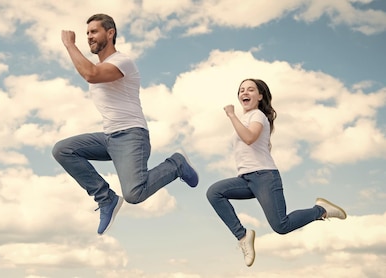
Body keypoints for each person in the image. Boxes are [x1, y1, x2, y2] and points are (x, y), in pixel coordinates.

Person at [52, 13, 199, 235]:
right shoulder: (99, 65)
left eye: (94, 32)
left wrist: (69, 44)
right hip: (110, 137)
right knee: (63, 150)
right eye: (87, 33)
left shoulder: (122, 61)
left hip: (132, 136)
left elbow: (90, 74)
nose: (89, 37)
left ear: (110, 33)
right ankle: (106, 198)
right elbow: (90, 72)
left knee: (134, 194)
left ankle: (176, 164)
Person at [206, 78, 347, 267]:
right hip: (246, 179)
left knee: (281, 226)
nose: (244, 93)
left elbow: (248, 138)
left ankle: (321, 210)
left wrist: (231, 115)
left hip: (264, 177)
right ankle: (243, 236)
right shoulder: (248, 118)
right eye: (241, 90)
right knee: (214, 192)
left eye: (250, 90)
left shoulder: (257, 115)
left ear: (260, 96)